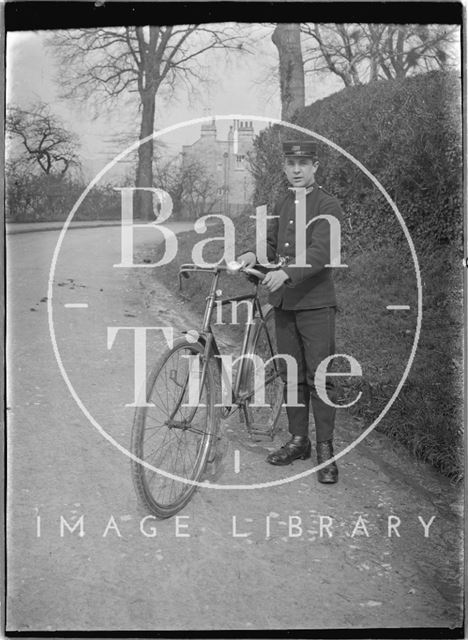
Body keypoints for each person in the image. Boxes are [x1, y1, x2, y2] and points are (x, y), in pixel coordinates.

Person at [237, 140, 343, 484]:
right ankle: (300, 441)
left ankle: (326, 450)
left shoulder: (328, 205)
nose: (296, 169)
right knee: (291, 374)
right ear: (284, 167)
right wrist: (255, 256)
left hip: (315, 304)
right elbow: (273, 244)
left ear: (315, 167)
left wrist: (287, 273)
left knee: (319, 378)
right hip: (284, 304)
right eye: (291, 163)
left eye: (303, 162)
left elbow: (321, 251)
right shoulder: (284, 202)